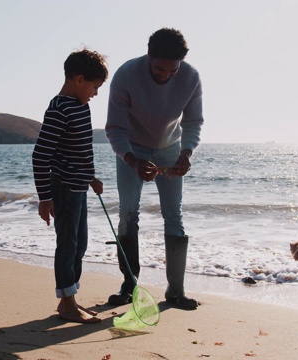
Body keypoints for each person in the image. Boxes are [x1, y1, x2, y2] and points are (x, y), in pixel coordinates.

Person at [105, 28, 204, 310]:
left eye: (173, 70)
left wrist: (187, 153)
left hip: (171, 149)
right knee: (127, 214)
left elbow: (193, 122)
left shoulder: (190, 77)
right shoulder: (126, 75)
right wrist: (132, 160)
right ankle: (129, 284)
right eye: (160, 68)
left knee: (174, 216)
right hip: (132, 149)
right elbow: (115, 128)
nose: (166, 75)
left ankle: (176, 291)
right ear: (149, 56)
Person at [32, 49, 108, 323]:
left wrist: (91, 177)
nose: (95, 93)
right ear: (78, 79)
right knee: (68, 243)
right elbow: (41, 155)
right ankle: (66, 303)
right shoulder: (60, 108)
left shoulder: (81, 106)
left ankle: (70, 298)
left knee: (80, 243)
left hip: (79, 187)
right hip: (63, 187)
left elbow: (78, 151)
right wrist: (45, 197)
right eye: (95, 87)